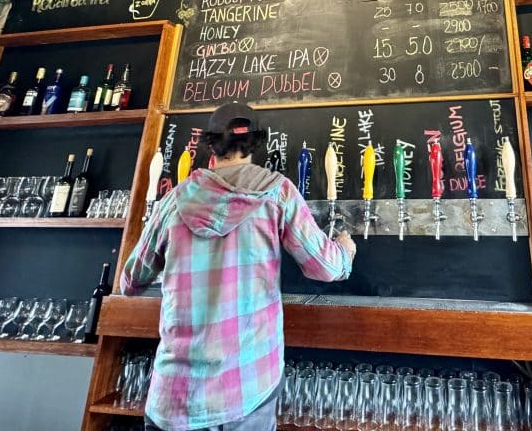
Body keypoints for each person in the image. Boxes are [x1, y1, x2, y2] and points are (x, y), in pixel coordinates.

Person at [121, 102, 357, 431]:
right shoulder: (278, 193)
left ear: (210, 145)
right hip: (248, 392)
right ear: (256, 143)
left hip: (175, 399)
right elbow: (325, 268)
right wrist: (345, 250)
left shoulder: (173, 201)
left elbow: (130, 282)